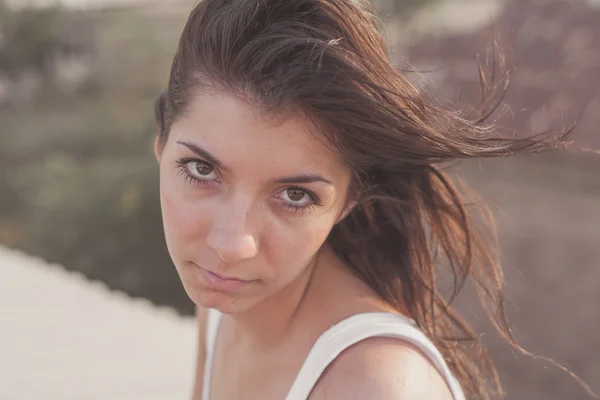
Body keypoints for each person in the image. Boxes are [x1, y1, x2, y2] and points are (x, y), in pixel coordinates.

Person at [152, 1, 576, 399]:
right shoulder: (223, 307)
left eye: (295, 195)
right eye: (202, 170)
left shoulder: (375, 385)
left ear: (349, 199)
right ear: (161, 144)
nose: (231, 245)